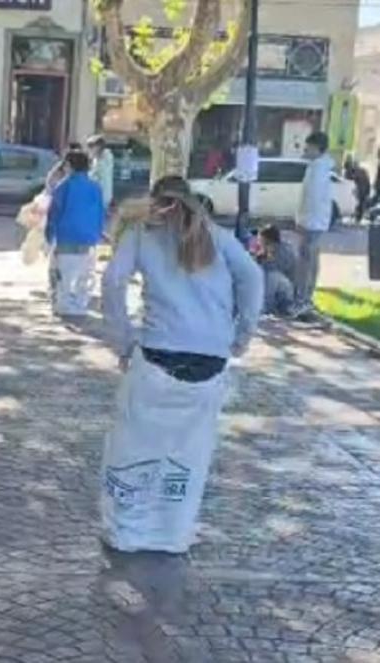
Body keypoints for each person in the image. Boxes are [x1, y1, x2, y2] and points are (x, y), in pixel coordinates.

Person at [101, 176, 263, 554]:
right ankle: (171, 535)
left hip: (158, 356)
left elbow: (112, 282)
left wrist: (123, 341)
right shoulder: (218, 236)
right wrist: (241, 336)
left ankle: (127, 531)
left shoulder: (141, 234)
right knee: (188, 453)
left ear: (154, 201)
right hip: (210, 361)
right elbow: (253, 278)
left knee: (134, 448)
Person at [44, 151, 106, 316]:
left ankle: (63, 305)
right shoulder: (96, 187)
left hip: (66, 237)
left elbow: (54, 213)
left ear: (69, 166)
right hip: (89, 239)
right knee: (84, 277)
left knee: (63, 275)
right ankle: (80, 305)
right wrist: (98, 234)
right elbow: (101, 213)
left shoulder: (63, 186)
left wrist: (49, 237)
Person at [294, 132, 333, 318]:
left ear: (317, 148)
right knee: (310, 260)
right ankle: (305, 298)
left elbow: (313, 200)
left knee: (306, 262)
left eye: (308, 147)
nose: (305, 150)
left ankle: (302, 299)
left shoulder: (318, 169)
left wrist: (303, 222)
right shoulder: (317, 167)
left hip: (312, 223)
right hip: (313, 222)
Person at [256, 225, 298, 316]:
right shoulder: (269, 250)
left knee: (271, 275)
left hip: (287, 291)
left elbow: (273, 268)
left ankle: (266, 307)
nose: (259, 242)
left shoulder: (283, 251)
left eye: (261, 240)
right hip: (278, 289)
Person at [86, 135, 114, 209]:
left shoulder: (103, 159)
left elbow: (94, 176)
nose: (89, 149)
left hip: (101, 196)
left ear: (98, 146)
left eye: (91, 146)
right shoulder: (97, 159)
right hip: (101, 195)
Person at [343, 155, 371, 222]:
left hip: (360, 190)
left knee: (359, 204)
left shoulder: (355, 171)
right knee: (360, 204)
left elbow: (350, 179)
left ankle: (357, 217)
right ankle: (357, 217)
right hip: (361, 190)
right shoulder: (361, 171)